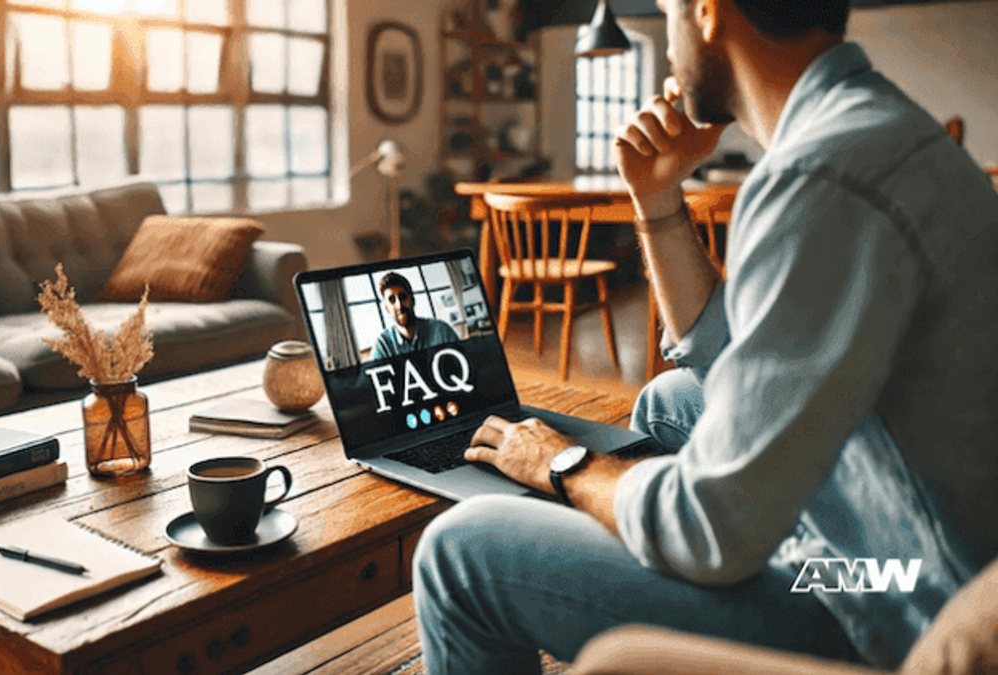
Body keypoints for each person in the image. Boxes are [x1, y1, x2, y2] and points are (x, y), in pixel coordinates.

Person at [413, 0, 998, 673]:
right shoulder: (877, 126)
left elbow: (712, 527)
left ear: (707, 11)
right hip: (918, 544)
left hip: (882, 589)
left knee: (459, 550)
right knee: (668, 399)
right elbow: (737, 354)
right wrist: (657, 197)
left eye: (667, 12)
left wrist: (565, 466)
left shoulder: (819, 179)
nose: (668, 44)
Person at [371, 272, 460, 360]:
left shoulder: (442, 331)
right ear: (387, 308)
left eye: (403, 297)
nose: (399, 305)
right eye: (392, 300)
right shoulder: (382, 345)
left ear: (412, 300)